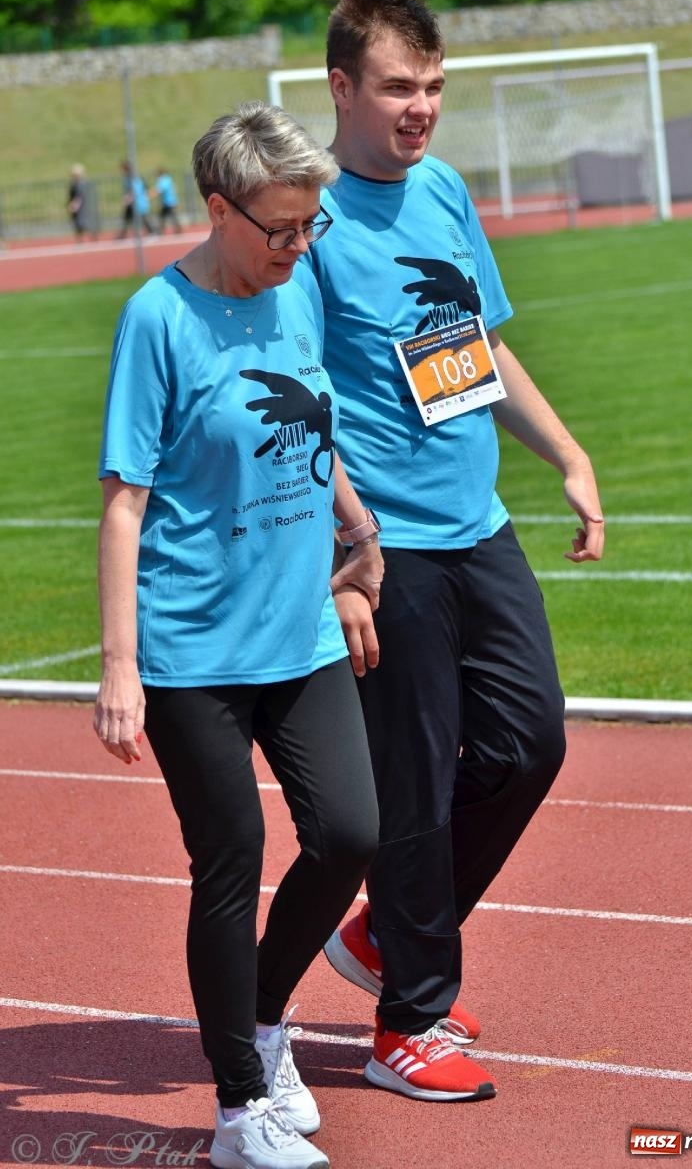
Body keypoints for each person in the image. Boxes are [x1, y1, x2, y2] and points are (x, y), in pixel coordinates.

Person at [311, 0, 605, 1103]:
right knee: (418, 783)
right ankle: (408, 1026)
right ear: (341, 87)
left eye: (434, 86)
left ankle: (390, 930)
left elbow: (471, 349)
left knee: (531, 743)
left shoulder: (439, 190)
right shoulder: (313, 218)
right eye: (397, 87)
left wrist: (565, 454)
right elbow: (288, 392)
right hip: (386, 545)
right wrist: (345, 539)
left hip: (477, 523)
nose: (420, 107)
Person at [93, 101, 384, 1169]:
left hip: (301, 629)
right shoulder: (156, 321)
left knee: (351, 833)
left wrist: (359, 527)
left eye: (312, 227)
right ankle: (236, 1110)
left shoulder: (294, 286)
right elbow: (124, 504)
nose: (299, 246)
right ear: (219, 209)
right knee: (232, 862)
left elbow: (313, 421)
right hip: (192, 654)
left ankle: (262, 1022)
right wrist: (121, 669)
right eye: (279, 228)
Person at [116, 159, 154, 238]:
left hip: (136, 202)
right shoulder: (130, 177)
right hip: (135, 202)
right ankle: (122, 236)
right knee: (127, 219)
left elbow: (133, 190)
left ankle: (152, 232)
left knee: (143, 218)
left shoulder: (131, 178)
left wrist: (128, 199)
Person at [151, 166, 183, 233]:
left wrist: (150, 195)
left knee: (172, 217)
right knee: (163, 217)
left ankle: (178, 229)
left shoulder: (164, 179)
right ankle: (161, 230)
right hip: (167, 202)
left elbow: (160, 189)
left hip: (169, 202)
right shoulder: (167, 179)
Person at [66, 163, 88, 240]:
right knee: (76, 223)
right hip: (76, 207)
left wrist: (74, 205)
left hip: (79, 208)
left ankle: (82, 239)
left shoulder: (80, 184)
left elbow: (79, 197)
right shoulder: (74, 184)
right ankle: (80, 239)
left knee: (80, 223)